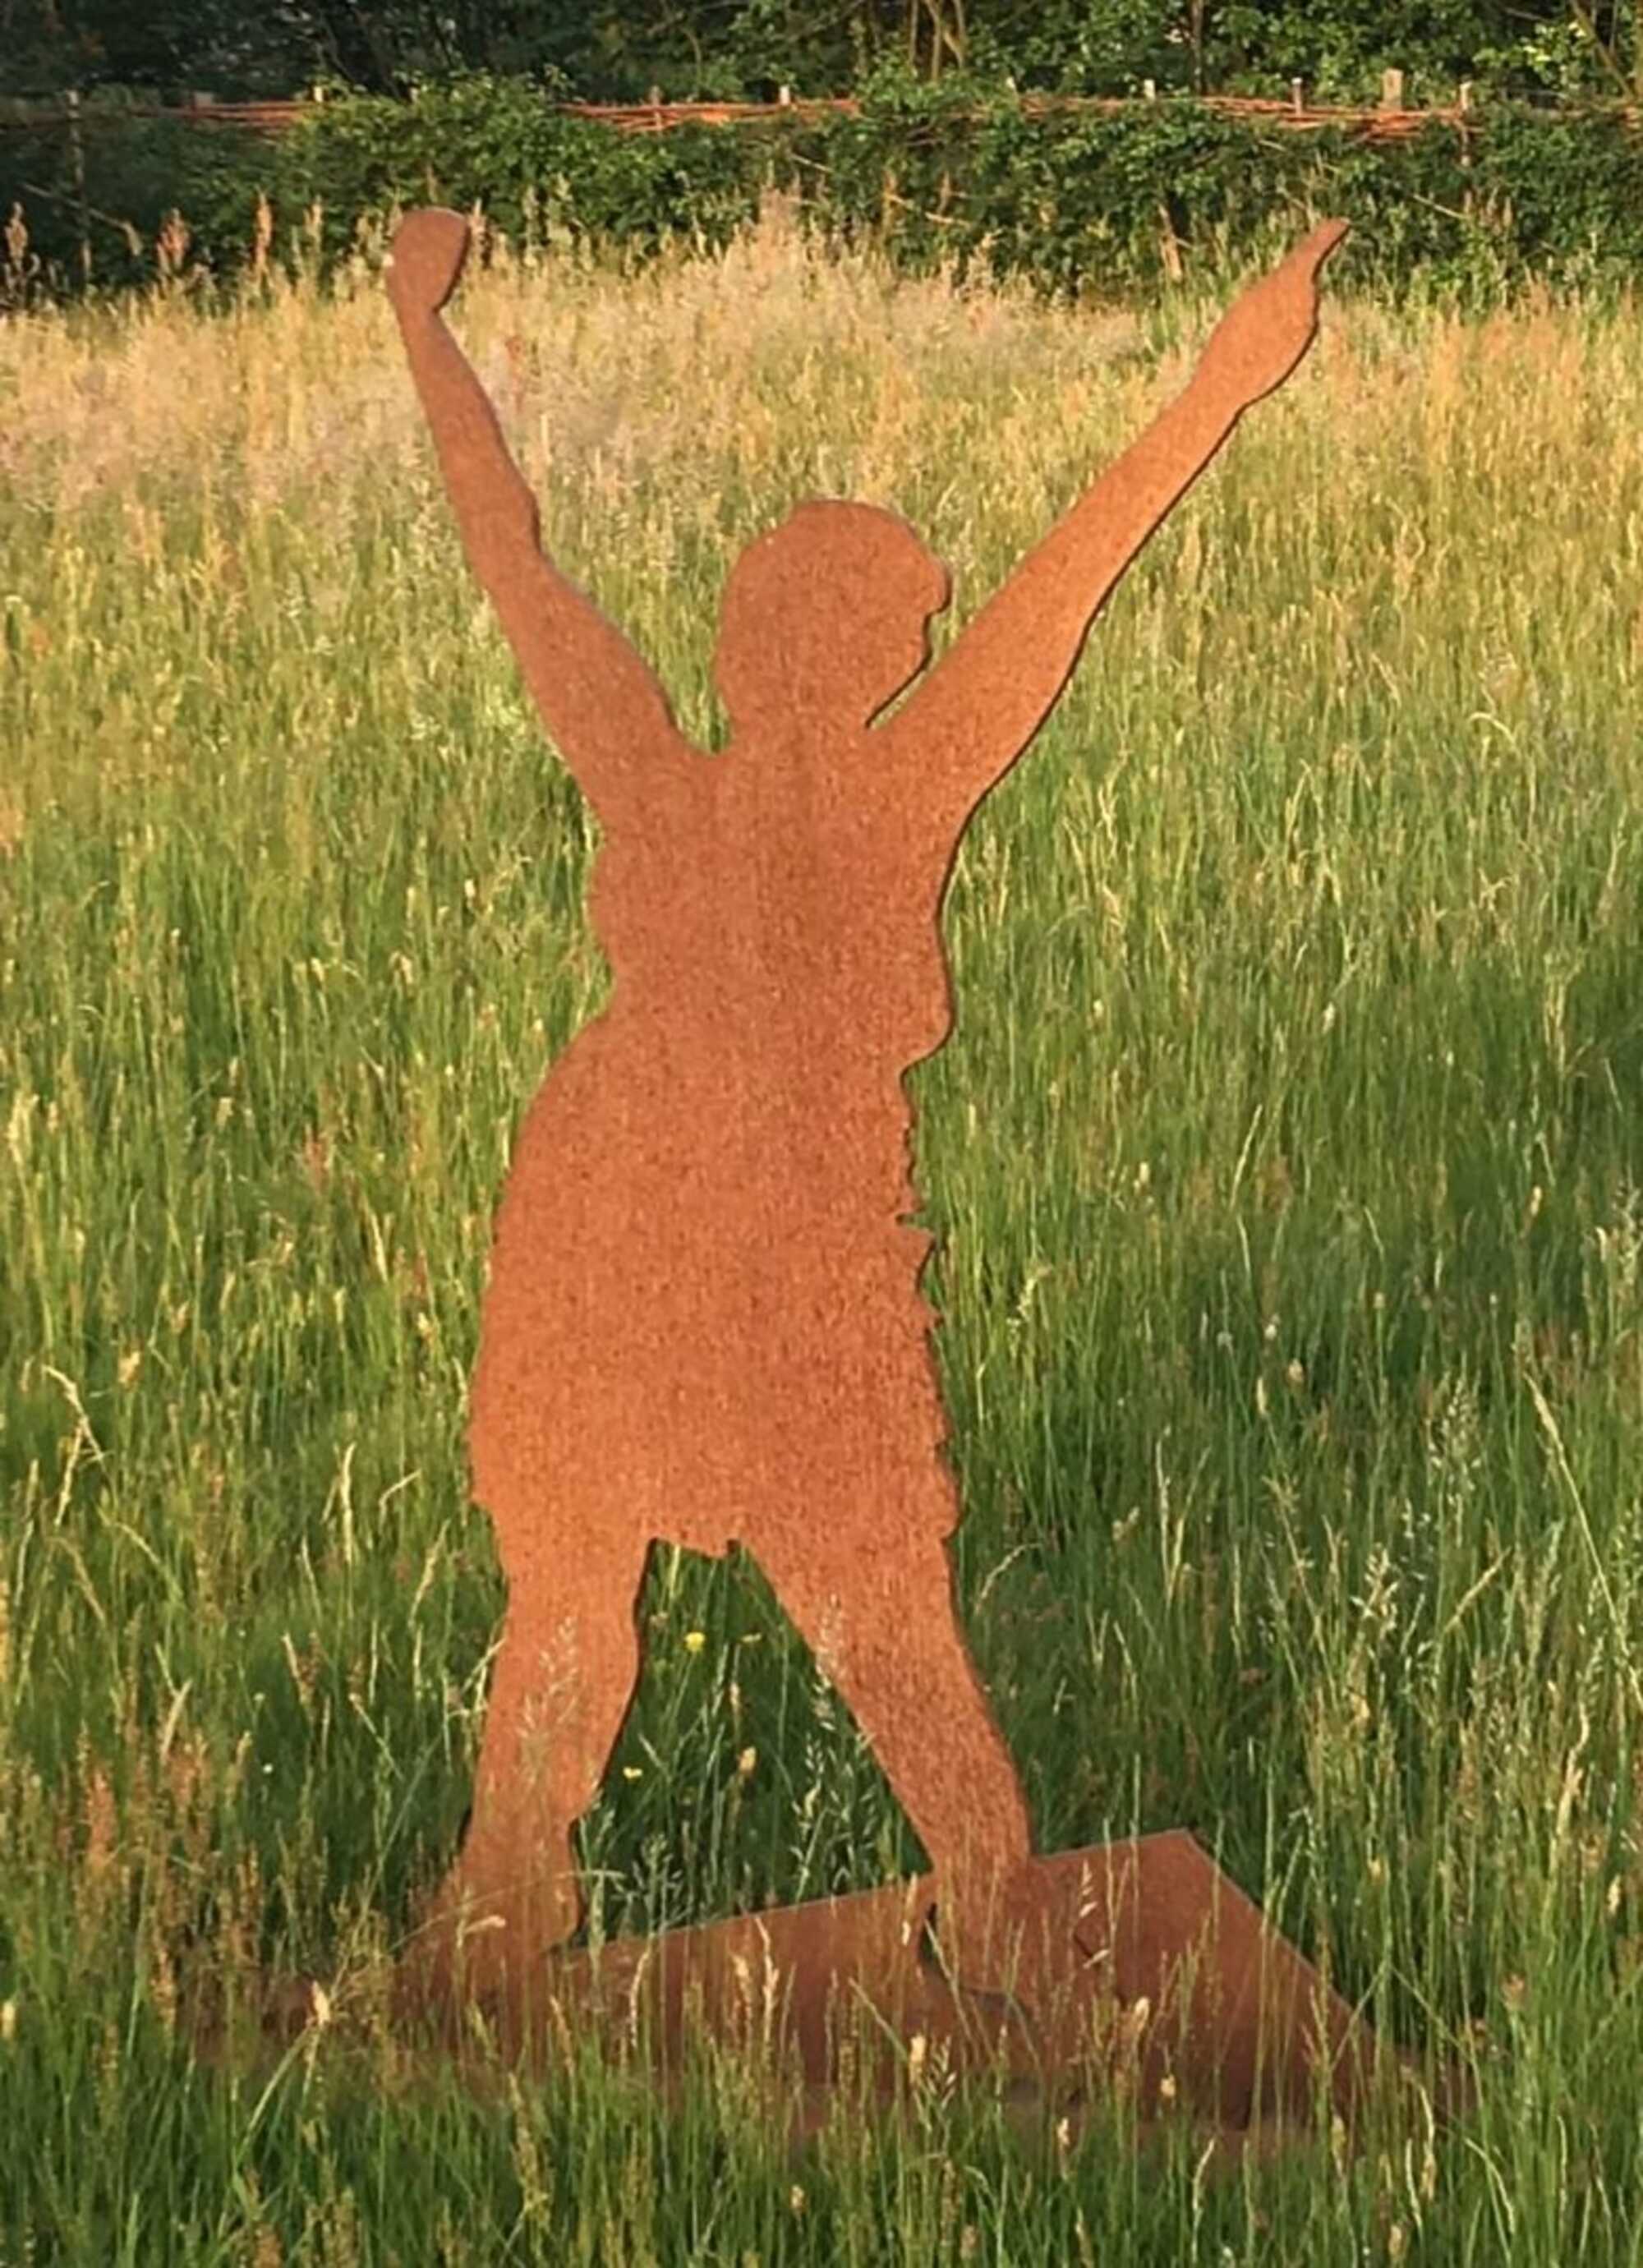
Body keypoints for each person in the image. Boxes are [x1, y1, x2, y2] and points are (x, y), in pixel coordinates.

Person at [384, 205, 1347, 2007]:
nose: (908, 646)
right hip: (679, 1210)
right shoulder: (869, 782)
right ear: (864, 650)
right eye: (898, 625)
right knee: (765, 1588)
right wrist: (1224, 373)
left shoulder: (673, 770)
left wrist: (422, 330)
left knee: (736, 1588)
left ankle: (625, 1895)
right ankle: (545, 1894)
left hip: (687, 1200)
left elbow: (512, 554)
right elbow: (1071, 565)